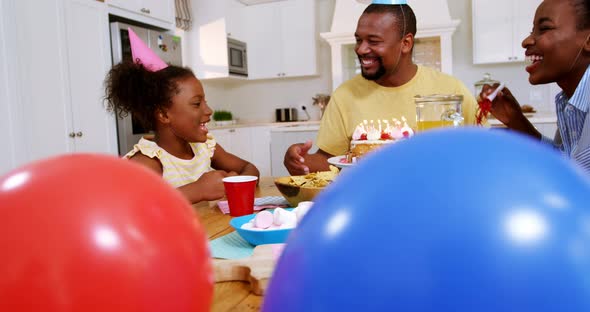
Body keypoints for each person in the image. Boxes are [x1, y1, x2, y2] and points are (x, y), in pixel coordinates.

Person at [283, 2, 479, 175]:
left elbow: (484, 149)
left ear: (406, 43)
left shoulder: (450, 91)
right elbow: (330, 160)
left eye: (373, 41)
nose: (360, 49)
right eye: (359, 40)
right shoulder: (345, 95)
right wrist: (300, 161)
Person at [104, 29, 259, 204]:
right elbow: (134, 207)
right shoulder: (149, 160)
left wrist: (238, 183)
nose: (209, 111)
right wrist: (198, 190)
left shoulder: (205, 147)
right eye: (196, 104)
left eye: (204, 102)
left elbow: (249, 168)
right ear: (163, 114)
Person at [482, 0, 590, 173]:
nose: (526, 41)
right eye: (532, 31)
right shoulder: (568, 103)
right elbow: (566, 166)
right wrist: (516, 121)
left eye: (545, 28)